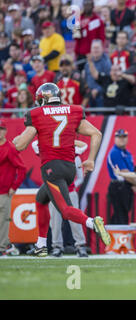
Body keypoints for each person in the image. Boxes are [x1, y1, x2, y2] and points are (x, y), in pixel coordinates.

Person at [13, 83, 110, 257]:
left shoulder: (37, 114)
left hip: (52, 167)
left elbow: (21, 144)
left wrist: (13, 141)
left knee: (65, 210)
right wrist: (91, 160)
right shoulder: (73, 110)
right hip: (69, 168)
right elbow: (97, 134)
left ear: (43, 98)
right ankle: (41, 245)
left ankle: (92, 223)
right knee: (41, 199)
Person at [31, 140, 89, 258]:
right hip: (54, 192)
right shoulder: (49, 153)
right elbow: (34, 144)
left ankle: (80, 246)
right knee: (55, 221)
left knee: (75, 220)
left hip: (70, 191)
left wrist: (68, 186)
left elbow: (80, 178)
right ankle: (57, 247)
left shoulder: (74, 155)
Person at [0, 120, 26, 256]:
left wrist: (14, 186)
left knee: (3, 221)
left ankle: (2, 247)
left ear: (5, 131)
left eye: (1, 129)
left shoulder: (9, 148)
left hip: (4, 191)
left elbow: (22, 168)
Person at [106, 129, 136, 225]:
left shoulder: (127, 153)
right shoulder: (115, 152)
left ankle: (113, 238)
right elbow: (124, 172)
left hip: (126, 186)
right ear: (115, 138)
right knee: (120, 216)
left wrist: (132, 183)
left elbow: (131, 170)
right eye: (119, 137)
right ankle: (115, 239)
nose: (122, 139)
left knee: (122, 215)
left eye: (124, 137)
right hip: (118, 186)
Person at [74, 0, 105, 69]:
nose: (87, 7)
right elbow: (76, 37)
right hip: (81, 52)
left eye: (89, 5)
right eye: (85, 5)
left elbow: (102, 38)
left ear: (93, 6)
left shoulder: (98, 20)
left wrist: (97, 51)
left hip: (93, 53)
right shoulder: (78, 19)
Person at [84, 40, 112, 108]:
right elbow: (86, 79)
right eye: (94, 48)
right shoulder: (88, 63)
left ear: (102, 49)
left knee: (100, 116)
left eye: (97, 48)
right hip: (89, 95)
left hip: (102, 95)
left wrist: (97, 90)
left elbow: (109, 80)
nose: (95, 50)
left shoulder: (106, 62)